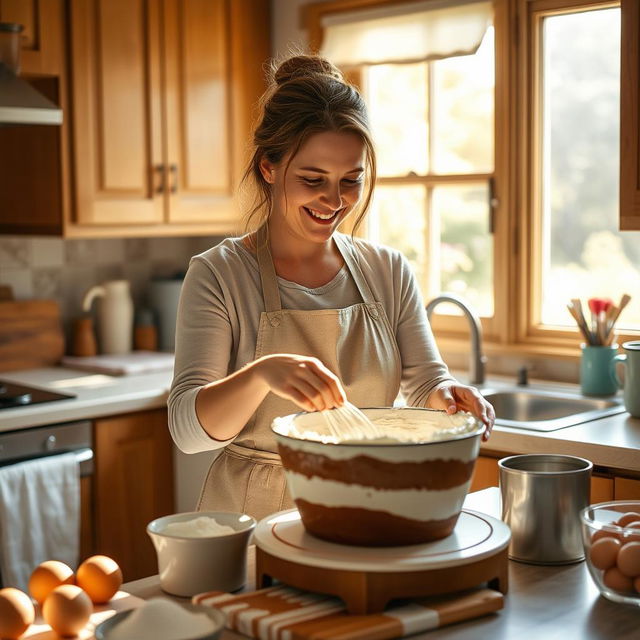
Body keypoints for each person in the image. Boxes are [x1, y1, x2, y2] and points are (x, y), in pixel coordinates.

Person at [168, 55, 495, 522]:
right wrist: (262, 373)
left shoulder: (387, 270)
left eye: (351, 180)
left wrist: (448, 394)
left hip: (367, 503)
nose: (335, 200)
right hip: (252, 519)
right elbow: (187, 430)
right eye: (312, 179)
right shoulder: (219, 274)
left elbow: (426, 381)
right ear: (268, 168)